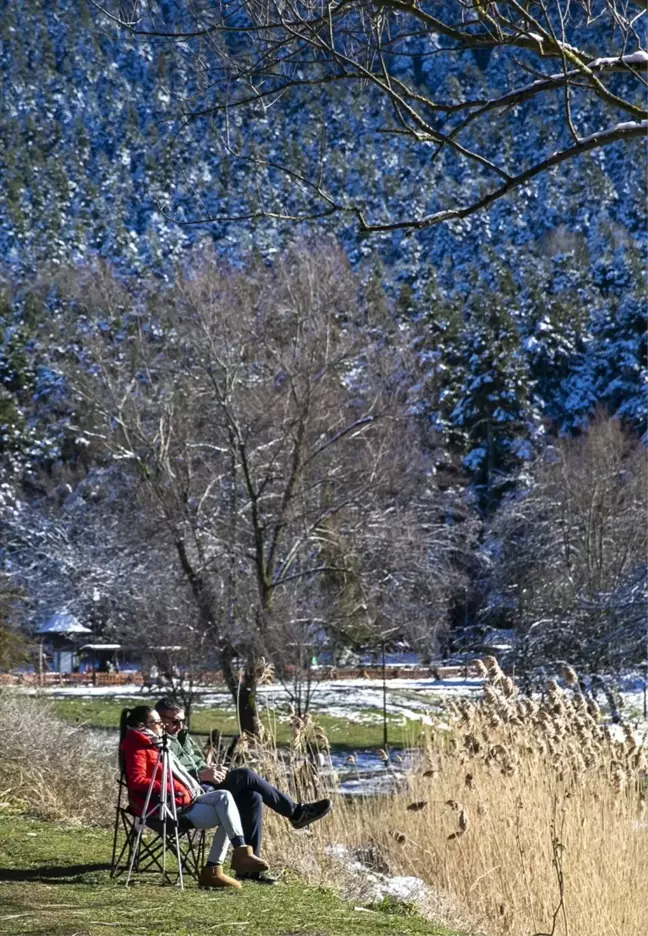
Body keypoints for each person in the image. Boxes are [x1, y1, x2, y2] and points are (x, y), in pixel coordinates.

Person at [154, 697, 332, 885]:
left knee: (252, 796)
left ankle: (248, 870)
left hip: (207, 785)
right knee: (246, 774)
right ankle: (296, 812)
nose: (180, 725)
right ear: (161, 720)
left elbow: (199, 765)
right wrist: (201, 776)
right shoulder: (160, 743)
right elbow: (167, 774)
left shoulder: (184, 738)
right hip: (191, 794)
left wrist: (212, 769)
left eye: (182, 720)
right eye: (175, 721)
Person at [119, 705, 269, 890]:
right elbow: (137, 781)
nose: (161, 726)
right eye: (157, 722)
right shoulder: (138, 748)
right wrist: (171, 789)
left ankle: (239, 852)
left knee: (225, 798)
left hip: (181, 799)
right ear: (143, 725)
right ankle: (214, 869)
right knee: (227, 812)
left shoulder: (156, 743)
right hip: (161, 808)